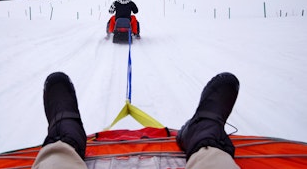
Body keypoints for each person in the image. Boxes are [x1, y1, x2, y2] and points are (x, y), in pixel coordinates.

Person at [33, 72, 240, 169]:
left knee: (56, 164)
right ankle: (206, 138)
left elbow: (133, 10)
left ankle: (63, 141)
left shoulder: (126, 4)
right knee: (216, 162)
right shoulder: (121, 4)